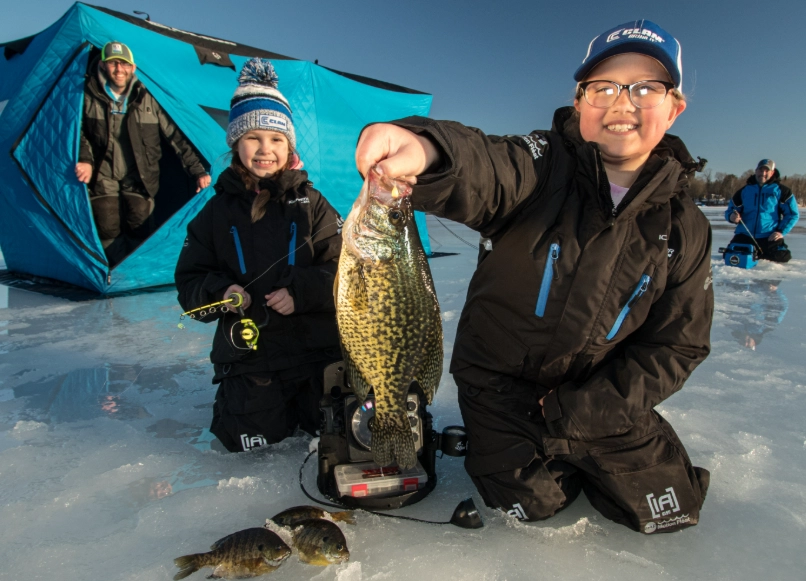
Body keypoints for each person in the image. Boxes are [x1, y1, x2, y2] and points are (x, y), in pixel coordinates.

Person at [355, 20, 711, 534]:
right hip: (501, 387)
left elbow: (678, 345)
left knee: (670, 511)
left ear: (674, 106)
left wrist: (589, 408)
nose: (622, 103)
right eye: (603, 87)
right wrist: (426, 150)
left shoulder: (686, 226)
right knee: (537, 508)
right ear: (580, 99)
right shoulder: (541, 166)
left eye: (645, 88)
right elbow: (484, 165)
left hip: (596, 395)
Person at [175, 58, 342, 453]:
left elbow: (346, 272)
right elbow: (190, 284)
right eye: (254, 138)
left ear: (289, 147)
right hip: (252, 357)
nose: (265, 149)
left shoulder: (314, 205)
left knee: (342, 439)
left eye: (277, 139)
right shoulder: (215, 213)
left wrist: (302, 292)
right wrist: (222, 291)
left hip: (319, 354)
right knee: (246, 447)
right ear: (235, 143)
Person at [76, 41, 211, 266]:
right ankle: (116, 273)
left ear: (133, 68)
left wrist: (197, 171)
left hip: (140, 176)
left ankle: (135, 272)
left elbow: (176, 137)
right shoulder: (88, 95)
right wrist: (85, 160)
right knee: (106, 225)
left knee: (140, 225)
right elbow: (78, 132)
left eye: (124, 64)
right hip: (102, 174)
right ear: (102, 65)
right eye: (113, 64)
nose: (119, 69)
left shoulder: (148, 97)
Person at [725, 159, 799, 263]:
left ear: (772, 172)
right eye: (760, 170)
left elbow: (792, 214)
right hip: (745, 234)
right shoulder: (744, 191)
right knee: (730, 256)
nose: (763, 173)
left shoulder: (782, 191)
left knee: (782, 257)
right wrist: (732, 216)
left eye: (766, 171)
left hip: (768, 236)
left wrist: (780, 232)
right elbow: (730, 210)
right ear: (756, 171)